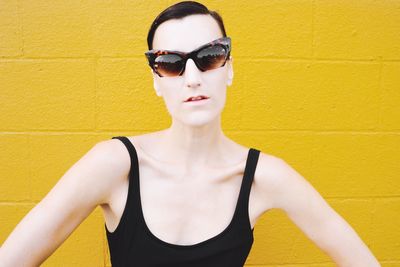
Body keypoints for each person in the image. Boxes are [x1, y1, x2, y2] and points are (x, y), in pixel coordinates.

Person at [0, 1, 381, 266]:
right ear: (155, 80)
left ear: (229, 68)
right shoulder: (114, 164)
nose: (193, 77)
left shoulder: (266, 177)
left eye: (210, 56)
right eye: (170, 63)